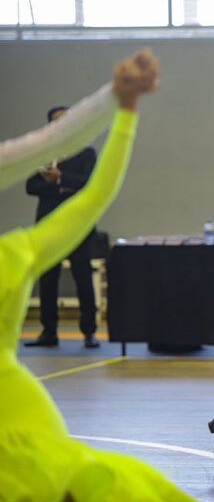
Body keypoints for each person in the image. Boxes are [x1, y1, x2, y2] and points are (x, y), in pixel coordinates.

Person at [0, 50, 193, 500]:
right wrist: (122, 107)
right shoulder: (12, 254)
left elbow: (52, 165)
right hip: (23, 421)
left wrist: (118, 102)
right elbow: (85, 194)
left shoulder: (12, 253)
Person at [24, 106, 100, 348]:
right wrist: (60, 187)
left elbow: (89, 182)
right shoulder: (45, 153)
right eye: (58, 121)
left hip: (77, 226)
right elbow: (31, 186)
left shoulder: (85, 152)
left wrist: (60, 179)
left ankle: (89, 332)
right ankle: (49, 332)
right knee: (47, 280)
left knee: (83, 277)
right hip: (49, 226)